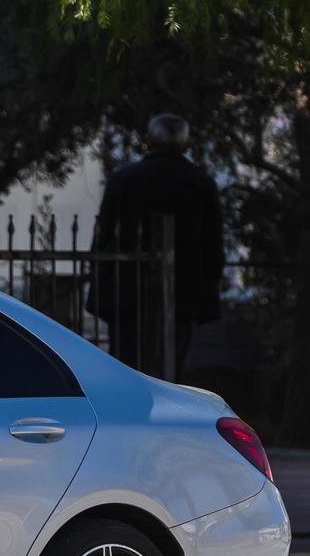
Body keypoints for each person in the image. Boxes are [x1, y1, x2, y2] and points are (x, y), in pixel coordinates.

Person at [90, 114, 224, 377]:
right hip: (183, 293)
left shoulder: (124, 179)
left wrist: (101, 285)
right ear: (186, 145)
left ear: (148, 141)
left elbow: (104, 238)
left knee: (127, 368)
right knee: (172, 368)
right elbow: (213, 244)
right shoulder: (201, 184)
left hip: (128, 291)